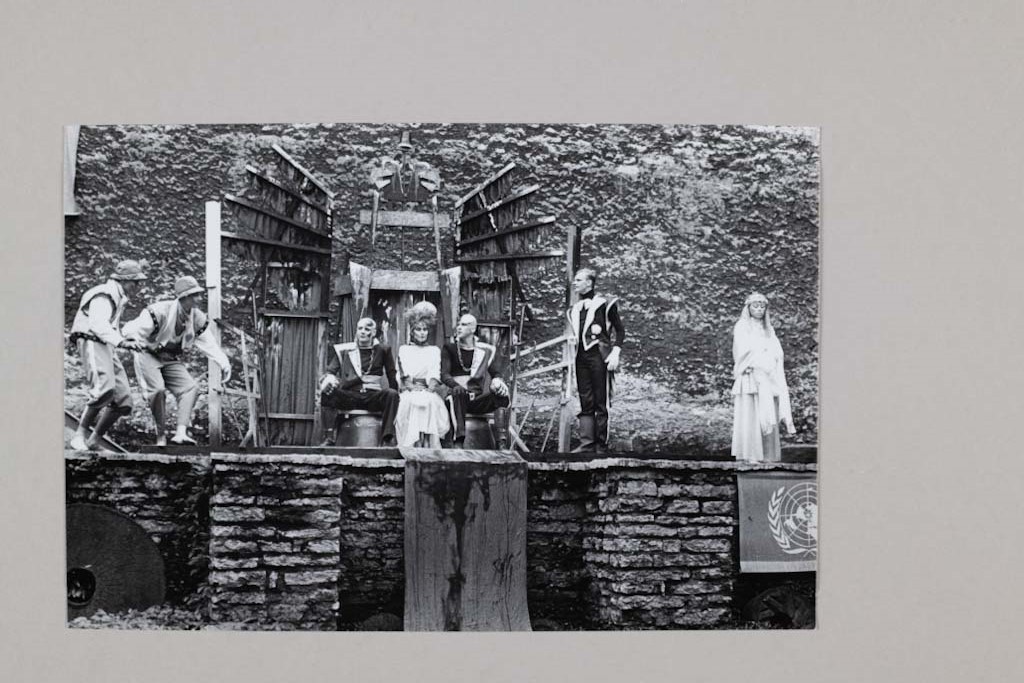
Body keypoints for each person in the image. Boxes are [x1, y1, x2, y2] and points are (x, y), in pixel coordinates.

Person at [121, 275, 231, 446]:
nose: (199, 299)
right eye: (194, 295)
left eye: (199, 294)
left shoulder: (197, 317)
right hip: (147, 353)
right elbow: (131, 331)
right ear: (184, 297)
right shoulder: (159, 311)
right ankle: (160, 436)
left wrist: (224, 363)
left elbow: (209, 344)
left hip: (169, 357)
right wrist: (137, 343)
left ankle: (181, 433)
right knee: (158, 390)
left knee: (190, 388)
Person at [68, 259, 149, 451]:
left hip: (104, 344)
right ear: (124, 280)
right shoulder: (104, 294)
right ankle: (78, 435)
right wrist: (121, 342)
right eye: (135, 282)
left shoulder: (119, 296)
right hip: (91, 339)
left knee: (123, 400)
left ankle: (94, 440)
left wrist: (126, 340)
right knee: (104, 388)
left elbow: (111, 328)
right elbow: (98, 325)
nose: (138, 287)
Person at [731, 292, 796, 462]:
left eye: (762, 307)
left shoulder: (769, 329)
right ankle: (751, 454)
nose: (759, 310)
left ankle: (767, 455)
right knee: (751, 414)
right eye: (755, 306)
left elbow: (776, 349)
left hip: (768, 375)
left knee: (768, 412)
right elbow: (742, 348)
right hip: (751, 374)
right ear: (749, 308)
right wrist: (757, 359)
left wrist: (771, 359)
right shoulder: (743, 326)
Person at [566, 268, 625, 453]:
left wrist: (616, 352)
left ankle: (601, 446)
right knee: (585, 399)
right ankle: (587, 444)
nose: (574, 283)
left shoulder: (605, 304)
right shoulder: (574, 309)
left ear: (589, 283)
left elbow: (620, 330)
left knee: (601, 401)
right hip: (580, 357)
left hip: (599, 356)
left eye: (578, 280)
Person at [318, 317, 400, 447]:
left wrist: (396, 395)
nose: (362, 332)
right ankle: (329, 437)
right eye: (360, 328)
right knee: (327, 393)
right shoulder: (345, 350)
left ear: (373, 332)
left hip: (372, 396)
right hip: (351, 396)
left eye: (367, 329)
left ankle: (387, 438)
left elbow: (392, 375)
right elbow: (330, 372)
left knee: (392, 394)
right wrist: (329, 380)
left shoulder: (383, 350)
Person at [440, 314, 510, 448]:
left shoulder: (484, 351)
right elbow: (444, 374)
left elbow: (495, 372)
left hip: (476, 399)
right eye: (459, 324)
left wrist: (497, 381)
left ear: (473, 329)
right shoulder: (450, 348)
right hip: (456, 397)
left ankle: (501, 441)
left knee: (502, 396)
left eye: (463, 325)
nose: (459, 327)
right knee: (458, 393)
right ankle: (459, 442)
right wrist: (456, 386)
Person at [394, 301, 450, 448]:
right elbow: (403, 372)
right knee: (412, 401)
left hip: (427, 389)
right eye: (418, 329)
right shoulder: (404, 349)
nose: (422, 333)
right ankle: (414, 443)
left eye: (425, 329)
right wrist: (411, 387)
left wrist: (430, 388)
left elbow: (434, 371)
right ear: (412, 331)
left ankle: (427, 443)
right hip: (410, 390)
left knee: (429, 401)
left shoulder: (434, 351)